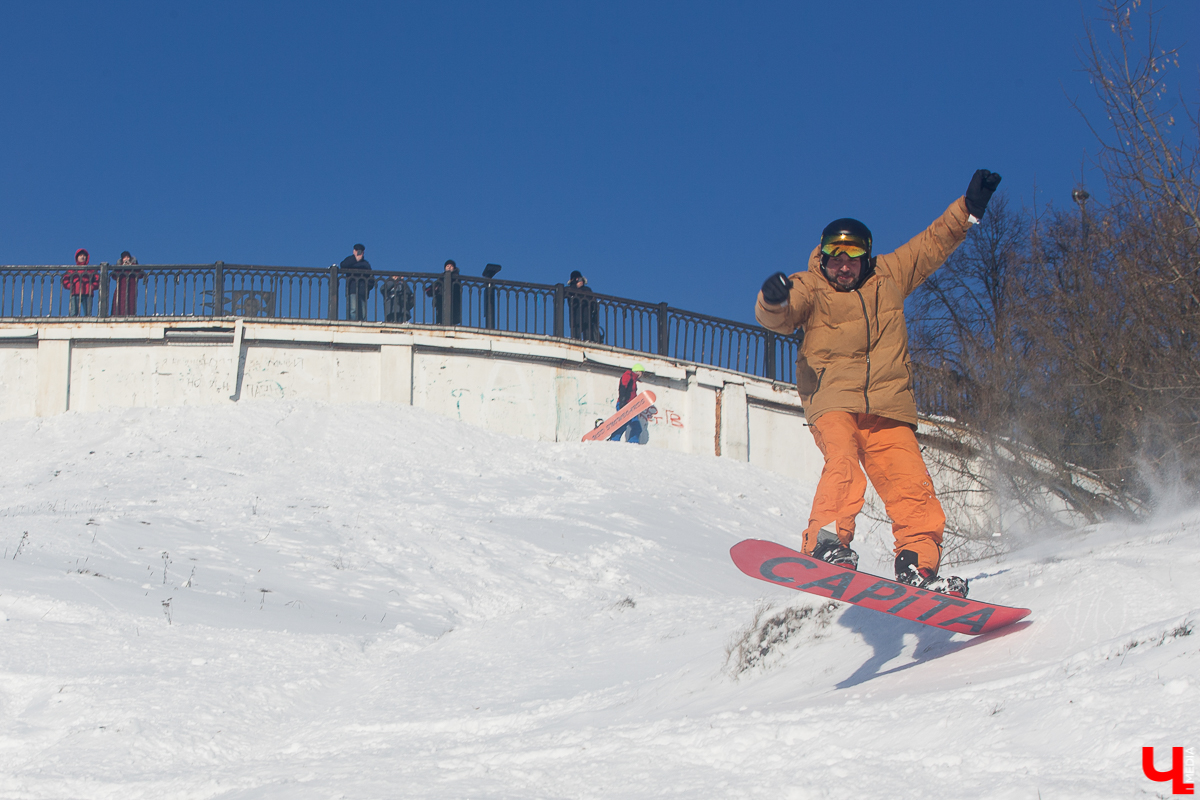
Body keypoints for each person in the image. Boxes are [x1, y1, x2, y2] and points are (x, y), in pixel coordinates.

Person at [754, 169, 1003, 598]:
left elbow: (932, 243)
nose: (844, 265)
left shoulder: (889, 277)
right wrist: (773, 299)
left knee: (912, 487)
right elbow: (781, 314)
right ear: (823, 257)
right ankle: (827, 542)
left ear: (866, 257)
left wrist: (969, 208)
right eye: (835, 255)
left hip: (889, 407)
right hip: (833, 401)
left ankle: (917, 566)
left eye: (852, 256)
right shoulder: (811, 286)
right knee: (844, 464)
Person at [609, 363, 647, 443]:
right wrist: (623, 402)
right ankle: (614, 440)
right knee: (623, 424)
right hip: (624, 404)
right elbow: (623, 387)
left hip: (631, 406)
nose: (642, 375)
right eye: (642, 372)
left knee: (636, 427)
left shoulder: (633, 380)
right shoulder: (628, 375)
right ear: (638, 371)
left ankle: (633, 443)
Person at [566, 270, 602, 343]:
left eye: (581, 279)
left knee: (588, 336)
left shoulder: (587, 289)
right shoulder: (570, 289)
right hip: (575, 315)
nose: (580, 281)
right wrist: (575, 286)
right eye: (577, 279)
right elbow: (569, 299)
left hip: (587, 316)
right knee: (576, 337)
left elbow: (593, 301)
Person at [339, 244, 373, 321]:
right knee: (353, 309)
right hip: (352, 288)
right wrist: (355, 259)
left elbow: (371, 278)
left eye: (360, 251)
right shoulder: (350, 260)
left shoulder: (365, 264)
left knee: (363, 312)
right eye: (357, 250)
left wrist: (367, 287)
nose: (359, 252)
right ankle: (353, 323)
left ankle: (362, 325)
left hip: (363, 290)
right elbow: (343, 265)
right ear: (354, 251)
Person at [62, 248, 99, 317]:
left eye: (84, 255)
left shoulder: (91, 270)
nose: (82, 257)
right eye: (80, 255)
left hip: (88, 293)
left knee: (88, 315)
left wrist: (92, 286)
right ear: (77, 257)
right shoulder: (72, 270)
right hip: (75, 292)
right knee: (74, 313)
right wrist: (70, 286)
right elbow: (65, 280)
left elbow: (97, 280)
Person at [425, 260, 462, 325]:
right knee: (441, 318)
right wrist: (435, 289)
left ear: (454, 268)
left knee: (451, 319)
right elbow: (429, 290)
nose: (449, 267)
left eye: (451, 266)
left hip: (453, 302)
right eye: (447, 266)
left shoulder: (456, 277)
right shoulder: (441, 278)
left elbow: (457, 288)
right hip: (440, 301)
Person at [110, 251, 145, 316]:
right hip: (120, 290)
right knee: (119, 304)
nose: (126, 259)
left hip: (131, 290)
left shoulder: (133, 266)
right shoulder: (119, 267)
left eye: (127, 257)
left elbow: (141, 274)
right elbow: (114, 276)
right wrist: (121, 267)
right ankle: (117, 315)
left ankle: (130, 315)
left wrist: (132, 266)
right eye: (124, 258)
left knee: (130, 304)